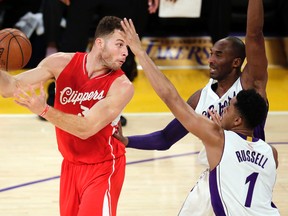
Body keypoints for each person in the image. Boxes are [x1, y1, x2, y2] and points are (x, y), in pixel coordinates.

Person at [114, 0, 269, 215]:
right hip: (213, 177)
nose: (211, 59)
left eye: (219, 55)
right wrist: (128, 141)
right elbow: (166, 138)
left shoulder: (250, 84)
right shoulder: (200, 99)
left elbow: (254, 34)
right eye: (211, 53)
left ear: (236, 62)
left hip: (249, 170)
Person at [0, 16, 134, 216]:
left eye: (127, 47)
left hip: (103, 168)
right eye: (120, 44)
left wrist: (44, 110)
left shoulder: (122, 86)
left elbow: (86, 129)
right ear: (99, 43)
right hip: (70, 166)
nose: (125, 52)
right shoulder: (60, 63)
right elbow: (10, 87)